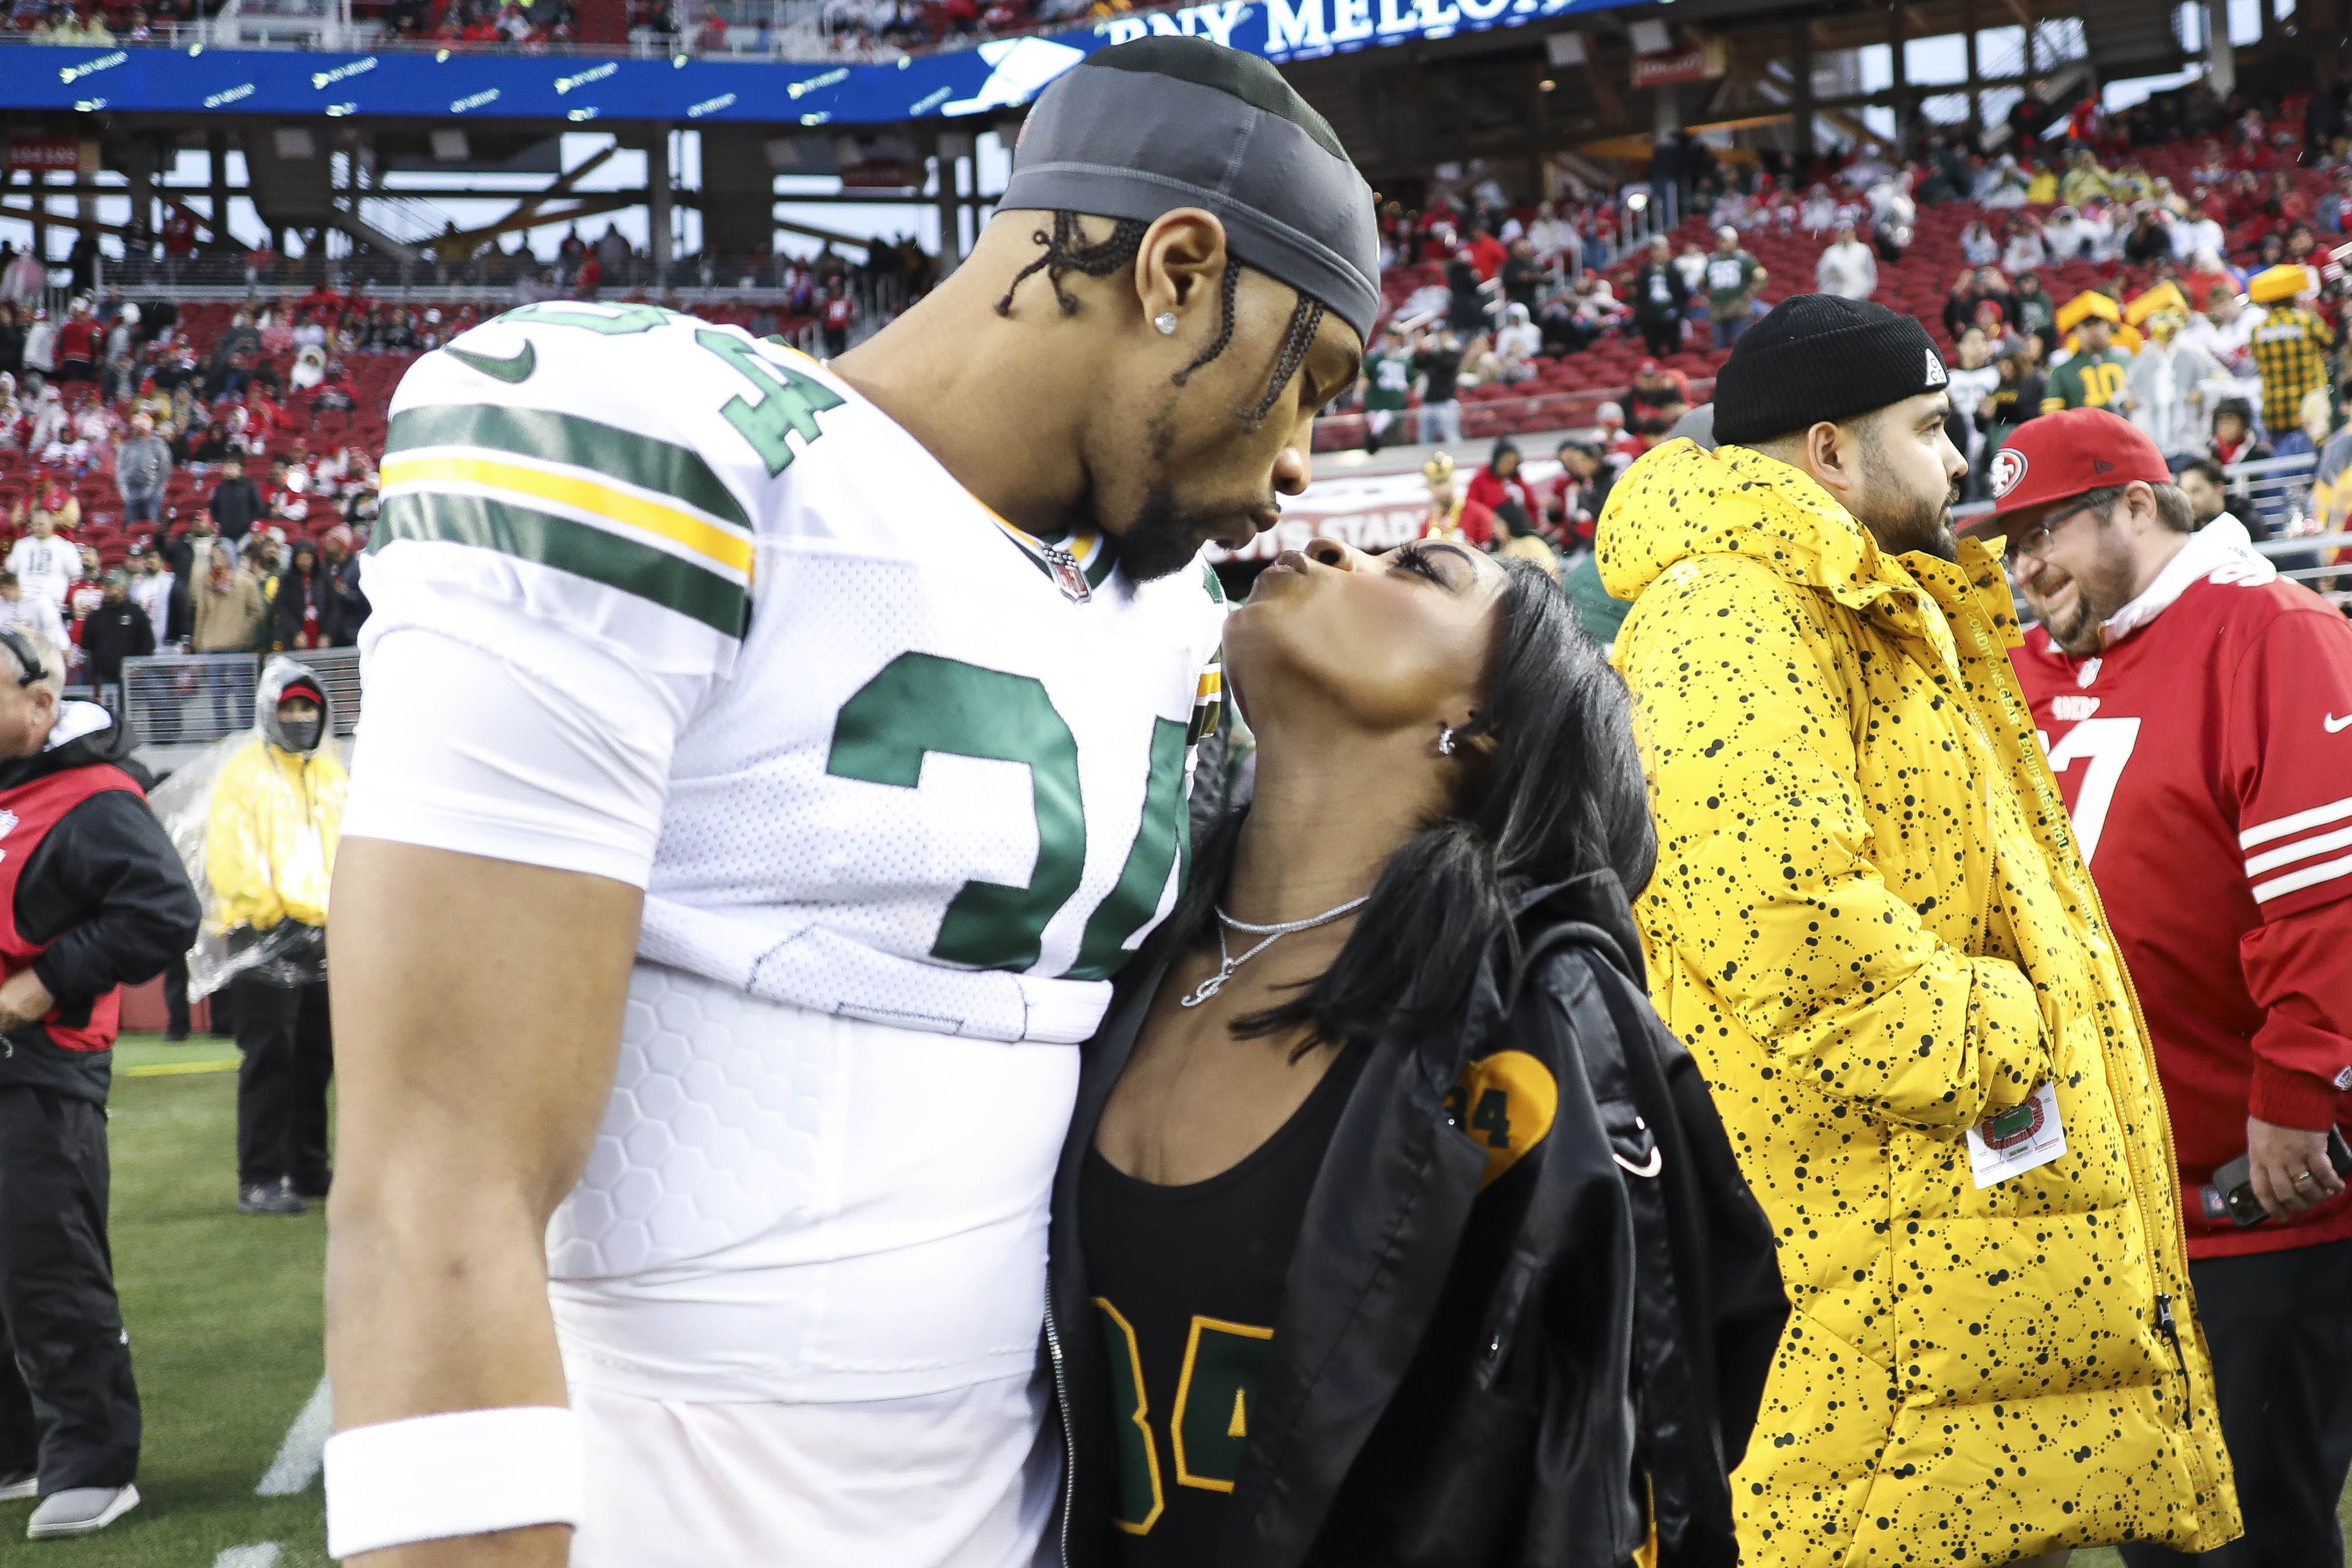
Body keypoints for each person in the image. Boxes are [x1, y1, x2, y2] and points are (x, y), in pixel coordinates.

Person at [322, 37, 1378, 1567]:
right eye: (1313, 379)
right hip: (655, 1513)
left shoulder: (1173, 627)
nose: (1299, 459)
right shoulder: (679, 452)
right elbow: (436, 1175)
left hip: (1011, 1515)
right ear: (1176, 268)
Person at [1597, 294, 2242, 1565]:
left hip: (1940, 1262)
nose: (1960, 461)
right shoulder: (1729, 611)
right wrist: (2011, 1033)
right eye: (1932, 427)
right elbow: (1786, 921)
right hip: (1877, 1280)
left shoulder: (1858, 600)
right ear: (1830, 450)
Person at [1050, 535, 1781, 1565]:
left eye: (1419, 570)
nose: (1329, 541)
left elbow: (1625, 1473)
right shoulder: (1106, 940)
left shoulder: (1544, 1032)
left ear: (1479, 724)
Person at [1979, 408, 2352, 1568]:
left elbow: (2328, 902)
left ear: (2136, 505)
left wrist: (2296, 1093)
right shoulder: (2028, 667)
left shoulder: (2269, 631)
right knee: (2156, 1532)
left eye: (2046, 530)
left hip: (2250, 1200)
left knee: (2251, 1535)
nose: (2025, 564)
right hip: (2105, 1203)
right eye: (2010, 541)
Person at [0, 628, 201, 1538]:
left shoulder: (93, 798)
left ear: (42, 706)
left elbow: (163, 910)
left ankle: (92, 1463)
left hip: (38, 1068)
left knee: (50, 1267)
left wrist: (43, 982)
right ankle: (17, 1450)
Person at [206, 664, 344, 1216]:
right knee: (271, 1057)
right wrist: (271, 915)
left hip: (326, 936)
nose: (299, 717)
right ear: (269, 710)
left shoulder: (332, 774)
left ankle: (309, 1166)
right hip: (262, 934)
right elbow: (231, 854)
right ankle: (260, 1176)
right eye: (289, 707)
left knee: (317, 1057)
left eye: (308, 707)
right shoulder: (246, 772)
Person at [2246, 264, 2334, 441]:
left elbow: (2256, 358)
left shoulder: (2258, 330)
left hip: (2275, 409)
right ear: (2293, 296)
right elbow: (2331, 343)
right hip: (2308, 408)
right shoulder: (2306, 321)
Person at [2126, 309, 2222, 462]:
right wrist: (2127, 401)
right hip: (2152, 448)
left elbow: (2224, 382)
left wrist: (2203, 391)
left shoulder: (2194, 353)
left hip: (2189, 443)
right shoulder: (2142, 359)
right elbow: (2125, 394)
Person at [2043, 304, 2134, 415]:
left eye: (2098, 323)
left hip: (2127, 428)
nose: (2093, 330)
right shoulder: (2062, 371)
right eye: (2086, 325)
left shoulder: (2129, 361)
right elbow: (2052, 416)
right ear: (2076, 331)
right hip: (2083, 430)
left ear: (2109, 326)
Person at [77, 572, 153, 694]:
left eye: (111, 587)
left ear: (122, 589)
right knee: (111, 708)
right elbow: (87, 647)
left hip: (133, 675)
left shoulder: (136, 612)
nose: (107, 591)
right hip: (105, 675)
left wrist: (138, 667)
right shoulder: (95, 616)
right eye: (106, 586)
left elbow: (148, 644)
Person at [5, 510, 79, 619]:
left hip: (52, 603)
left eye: (41, 524)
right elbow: (10, 571)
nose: (38, 528)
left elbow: (76, 575)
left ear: (51, 524)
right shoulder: (21, 545)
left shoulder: (66, 547)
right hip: (22, 601)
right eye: (34, 524)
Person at [1702, 225, 1765, 350]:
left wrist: (1752, 291)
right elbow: (1701, 282)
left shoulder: (1744, 258)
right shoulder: (1711, 260)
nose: (1721, 243)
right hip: (1717, 309)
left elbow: (1761, 276)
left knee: (1740, 345)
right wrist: (1704, 295)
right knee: (1719, 346)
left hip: (1739, 307)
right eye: (1720, 240)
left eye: (1724, 240)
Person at [1628, 235, 1688, 358]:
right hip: (1651, 319)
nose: (1656, 253)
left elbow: (1681, 293)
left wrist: (1679, 312)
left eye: (1659, 249)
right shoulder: (1646, 271)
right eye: (1654, 249)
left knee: (1674, 351)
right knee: (1653, 352)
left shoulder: (1674, 271)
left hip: (1672, 318)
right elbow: (1641, 295)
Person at [1418, 450, 1494, 547]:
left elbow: (1492, 549)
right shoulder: (1428, 522)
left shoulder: (1479, 513)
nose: (1443, 489)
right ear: (1428, 487)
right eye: (1437, 483)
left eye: (1445, 481)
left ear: (1454, 481)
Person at [1357, 324, 1412, 453]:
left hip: (1398, 410)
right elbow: (1363, 379)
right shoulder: (1374, 358)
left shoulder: (1404, 359)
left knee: (1398, 448)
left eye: (1396, 337)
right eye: (1391, 336)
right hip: (1377, 408)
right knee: (1375, 446)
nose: (1393, 340)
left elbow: (1413, 381)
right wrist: (1360, 391)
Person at [113, 413, 171, 528]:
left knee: (152, 524)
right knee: (133, 526)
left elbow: (164, 469)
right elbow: (120, 470)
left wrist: (156, 488)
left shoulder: (158, 445)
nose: (134, 430)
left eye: (138, 428)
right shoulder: (128, 447)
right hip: (132, 493)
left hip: (153, 492)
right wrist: (124, 490)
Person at [1412, 329, 1463, 445]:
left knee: (1452, 438)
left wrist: (1429, 351)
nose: (1441, 337)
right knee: (1424, 440)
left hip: (1446, 402)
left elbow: (1447, 365)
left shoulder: (1452, 351)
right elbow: (1419, 363)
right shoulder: (1435, 352)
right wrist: (1418, 350)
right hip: (1430, 402)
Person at [204, 455, 266, 546]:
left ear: (240, 469)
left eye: (232, 466)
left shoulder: (249, 487)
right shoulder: (220, 489)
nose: (229, 469)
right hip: (225, 534)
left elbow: (258, 507)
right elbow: (214, 509)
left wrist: (248, 522)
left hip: (245, 534)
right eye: (227, 467)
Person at [1814, 221, 1876, 300]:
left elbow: (1871, 274)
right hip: (1837, 297)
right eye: (1841, 233)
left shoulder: (1863, 250)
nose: (1844, 235)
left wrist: (1865, 293)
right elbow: (1821, 274)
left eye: (1846, 232)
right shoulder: (1830, 252)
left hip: (1859, 297)